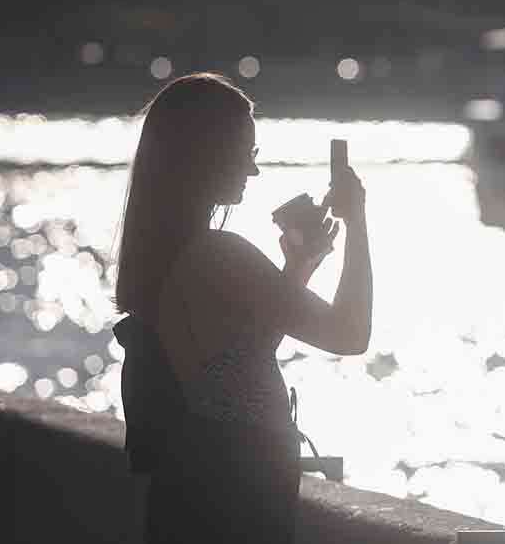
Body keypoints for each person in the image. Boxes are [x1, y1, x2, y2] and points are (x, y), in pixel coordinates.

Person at [108, 72, 372, 543]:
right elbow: (349, 334)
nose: (253, 171)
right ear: (208, 154)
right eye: (246, 153)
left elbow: (236, 360)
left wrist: (297, 268)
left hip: (198, 504)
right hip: (235, 511)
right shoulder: (219, 254)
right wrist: (357, 221)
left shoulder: (173, 254)